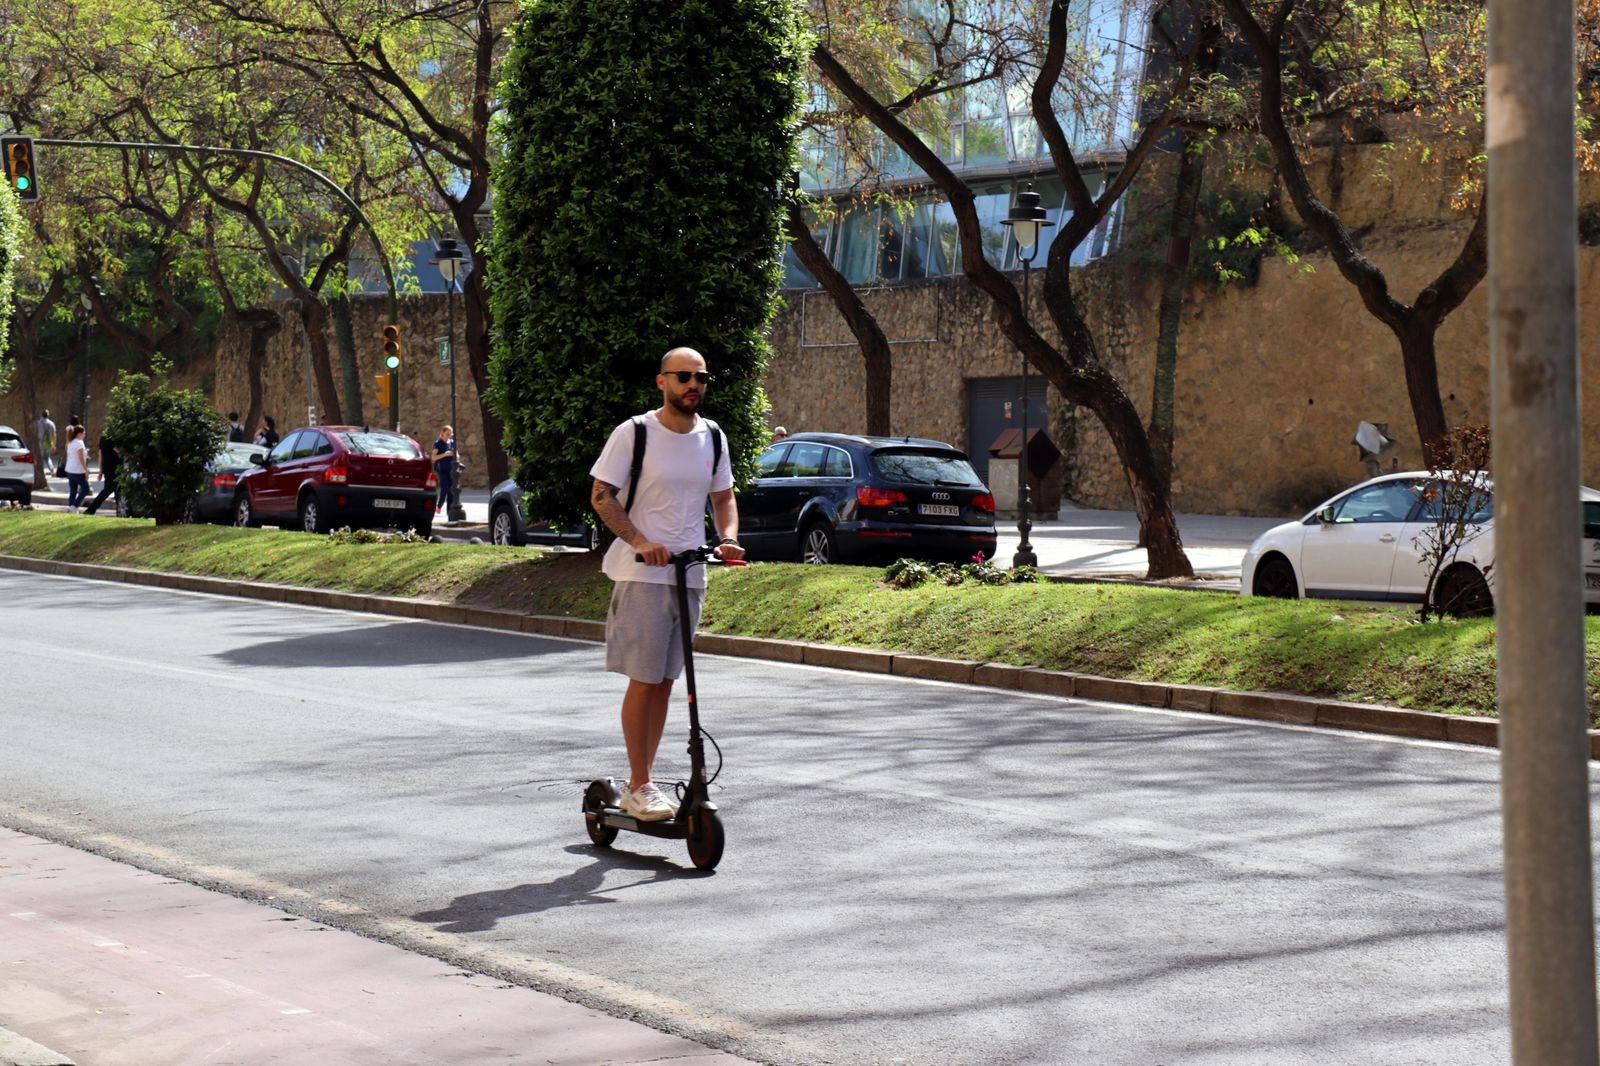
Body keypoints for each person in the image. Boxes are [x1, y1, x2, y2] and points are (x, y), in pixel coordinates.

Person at [589, 347, 743, 822]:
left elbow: (723, 497)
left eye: (700, 377)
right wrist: (640, 539)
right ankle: (640, 784)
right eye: (683, 376)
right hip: (642, 573)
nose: (692, 384)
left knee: (665, 683)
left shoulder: (712, 437)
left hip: (690, 574)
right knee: (644, 678)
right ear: (662, 381)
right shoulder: (634, 433)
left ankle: (645, 781)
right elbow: (601, 496)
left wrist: (728, 538)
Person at [81, 433, 121, 516]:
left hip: (107, 468)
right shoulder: (111, 438)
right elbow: (119, 450)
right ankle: (91, 509)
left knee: (116, 491)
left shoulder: (103, 438)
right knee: (108, 490)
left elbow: (100, 454)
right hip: (114, 469)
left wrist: (100, 470)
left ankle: (120, 511)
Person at [63, 426, 90, 513]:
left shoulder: (70, 443)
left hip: (69, 469)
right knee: (86, 489)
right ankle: (74, 505)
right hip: (77, 470)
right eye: (84, 433)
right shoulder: (79, 443)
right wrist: (86, 471)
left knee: (73, 490)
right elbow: (81, 459)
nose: (84, 435)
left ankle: (71, 507)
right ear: (79, 434)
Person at [432, 425, 456, 516]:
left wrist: (455, 455)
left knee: (451, 490)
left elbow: (457, 455)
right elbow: (433, 458)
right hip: (442, 469)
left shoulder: (452, 442)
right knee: (444, 488)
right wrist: (445, 454)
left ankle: (449, 511)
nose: (449, 436)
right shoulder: (437, 443)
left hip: (451, 469)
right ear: (442, 433)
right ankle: (439, 505)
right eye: (447, 434)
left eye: (450, 434)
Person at [34, 409, 55, 479]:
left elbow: (35, 433)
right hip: (48, 442)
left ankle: (41, 473)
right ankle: (52, 470)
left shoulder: (38, 423)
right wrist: (53, 444)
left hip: (40, 442)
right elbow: (54, 434)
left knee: (41, 458)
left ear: (41, 415)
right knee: (47, 457)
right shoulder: (51, 423)